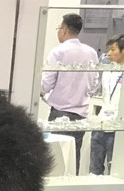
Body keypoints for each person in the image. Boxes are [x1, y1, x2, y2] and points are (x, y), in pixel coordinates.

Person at [40, 13, 97, 173]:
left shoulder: (58, 52)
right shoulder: (91, 52)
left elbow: (46, 84)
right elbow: (94, 85)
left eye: (59, 28)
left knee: (55, 159)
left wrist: (41, 92)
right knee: (73, 157)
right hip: (81, 114)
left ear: (64, 29)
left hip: (60, 113)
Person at [90, 35, 124, 176]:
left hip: (117, 126)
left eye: (113, 49)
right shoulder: (106, 70)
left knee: (115, 170)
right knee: (94, 169)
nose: (109, 53)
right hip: (100, 123)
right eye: (109, 50)